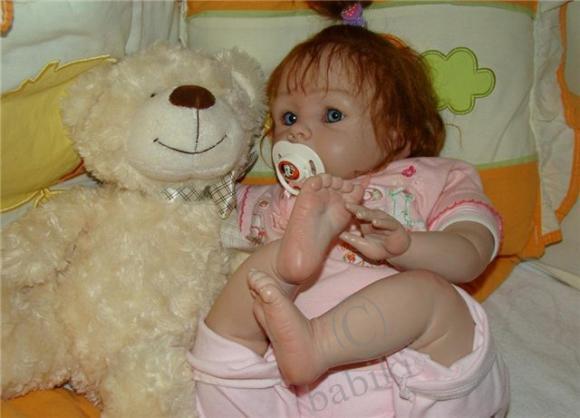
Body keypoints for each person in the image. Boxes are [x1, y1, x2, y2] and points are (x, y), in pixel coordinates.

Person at [188, 4, 509, 417]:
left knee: (431, 295)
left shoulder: (429, 179)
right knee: (250, 285)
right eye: (287, 116)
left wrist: (406, 247)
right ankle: (289, 266)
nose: (298, 131)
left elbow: (472, 253)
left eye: (332, 115)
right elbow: (197, 223)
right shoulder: (269, 198)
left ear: (396, 132)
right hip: (288, 393)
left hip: (416, 373)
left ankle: (317, 340)